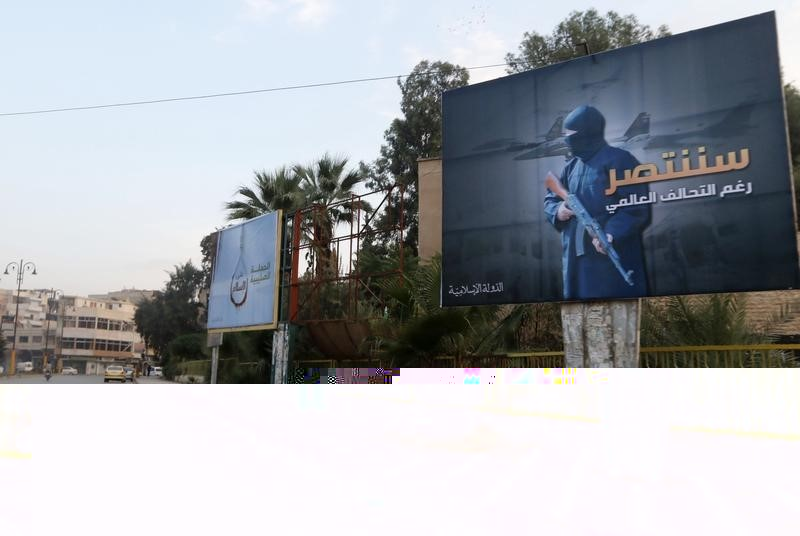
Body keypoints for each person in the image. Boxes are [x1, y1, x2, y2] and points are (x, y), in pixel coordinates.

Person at [543, 105, 651, 300]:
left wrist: (610, 233)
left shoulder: (621, 161)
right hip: (574, 266)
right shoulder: (570, 167)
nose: (567, 139)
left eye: (571, 134)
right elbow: (551, 198)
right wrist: (559, 209)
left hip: (608, 267)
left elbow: (636, 207)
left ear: (587, 133)